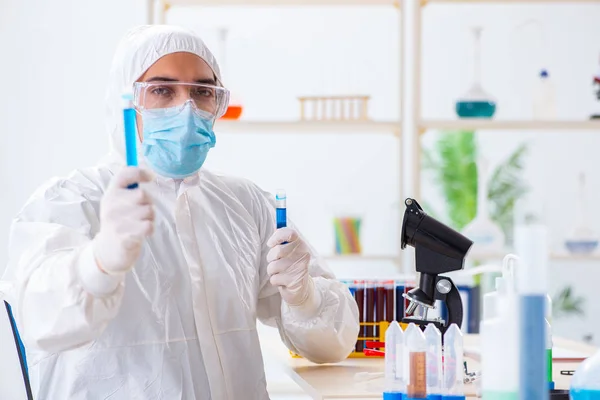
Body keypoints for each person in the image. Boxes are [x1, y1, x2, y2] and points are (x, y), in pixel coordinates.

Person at [1, 25, 359, 399]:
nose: (186, 109)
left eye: (203, 91)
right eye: (161, 90)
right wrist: (99, 262)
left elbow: (333, 345)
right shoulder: (71, 201)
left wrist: (304, 298)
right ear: (125, 102)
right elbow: (40, 319)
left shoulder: (245, 204)